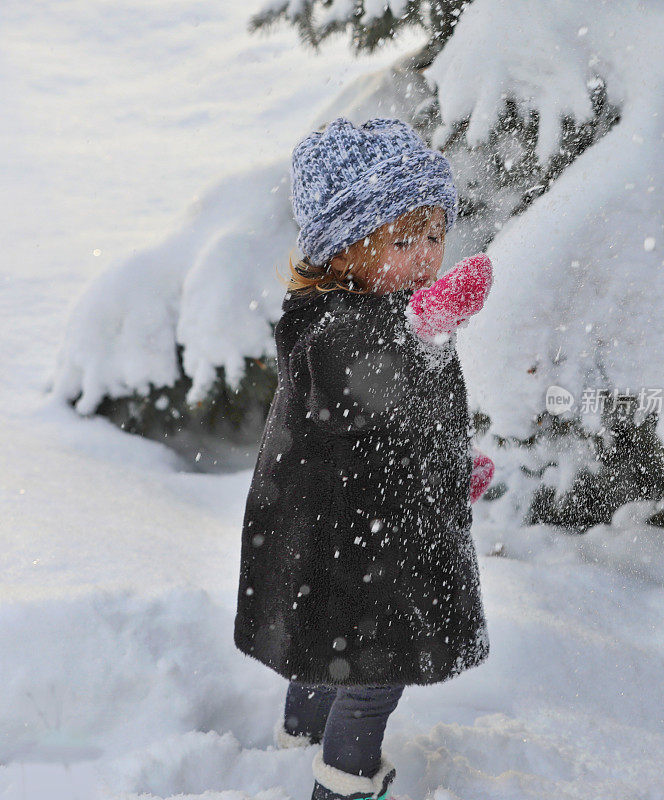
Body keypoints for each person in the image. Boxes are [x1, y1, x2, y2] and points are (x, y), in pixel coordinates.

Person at [234, 116, 496, 800]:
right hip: (355, 540)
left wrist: (447, 469)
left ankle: (297, 743)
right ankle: (344, 781)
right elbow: (354, 401)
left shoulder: (387, 305)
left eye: (435, 235)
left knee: (327, 649)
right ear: (339, 250)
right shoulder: (331, 321)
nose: (426, 256)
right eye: (402, 240)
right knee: (373, 671)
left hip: (353, 533)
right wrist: (425, 329)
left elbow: (410, 420)